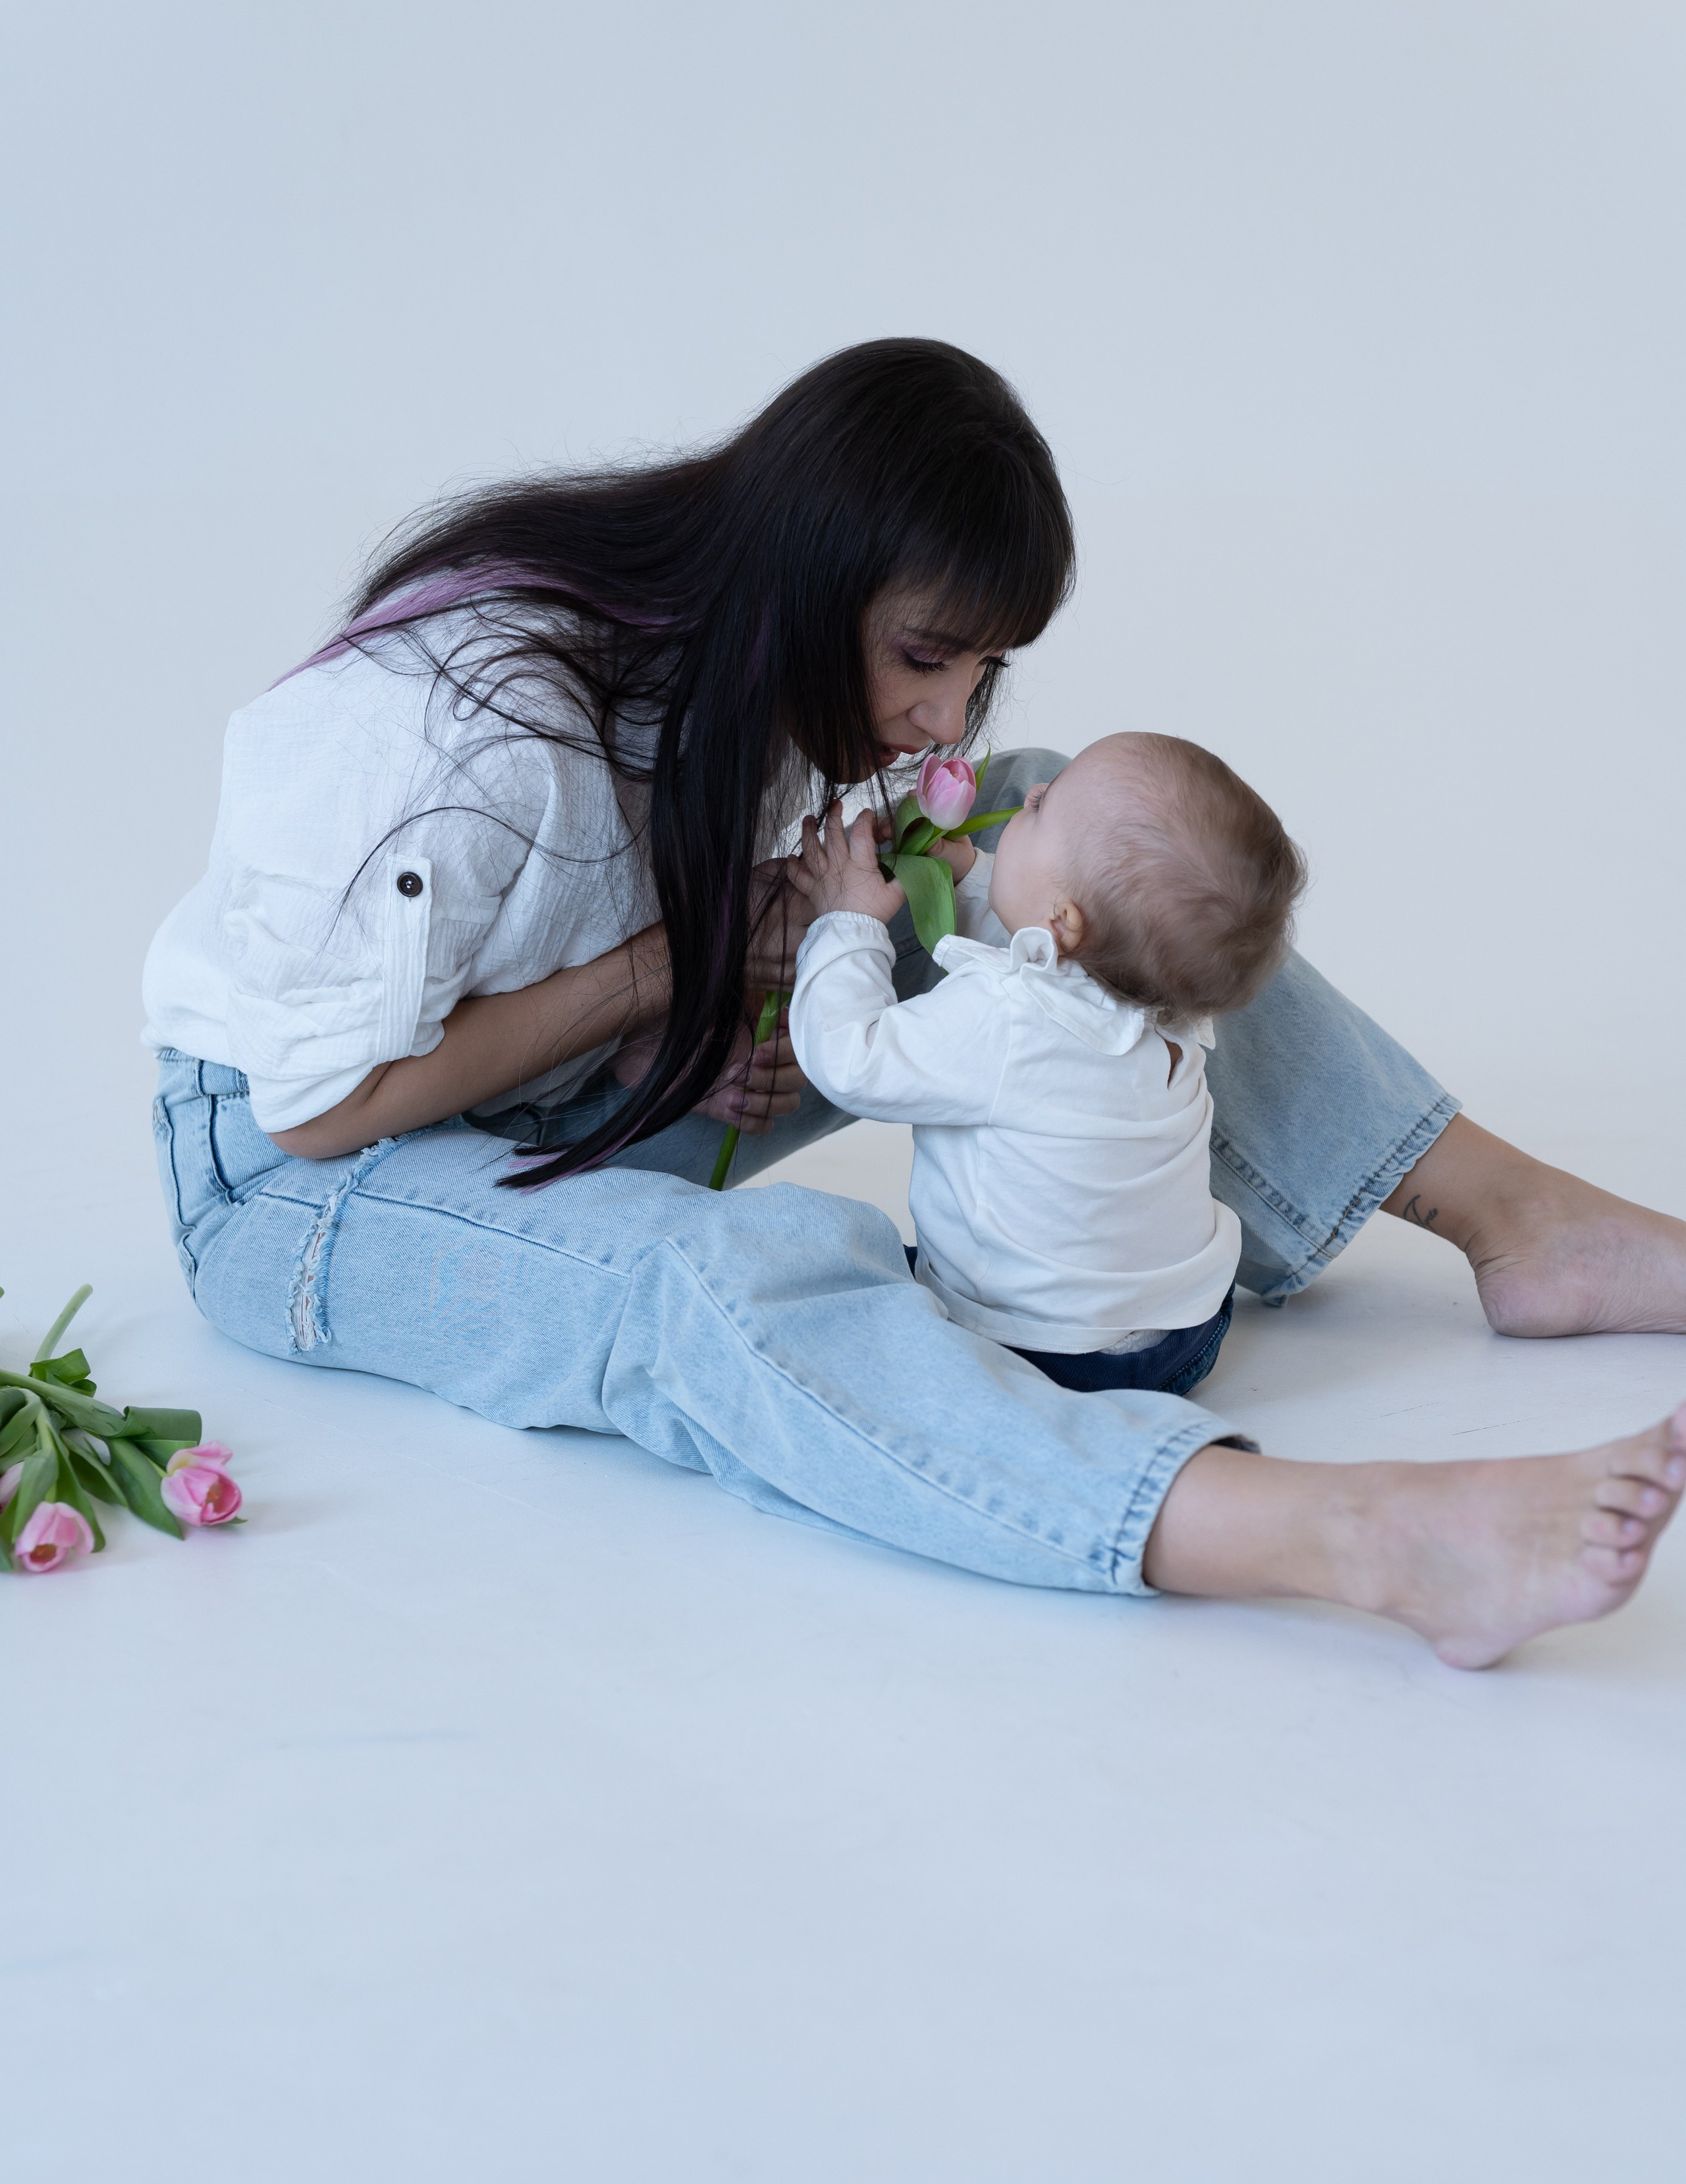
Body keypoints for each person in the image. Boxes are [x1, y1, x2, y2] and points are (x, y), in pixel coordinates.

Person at [142, 338, 1686, 1671]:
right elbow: (314, 1104)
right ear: (805, 578)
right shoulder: (449, 720)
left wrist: (710, 1033)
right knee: (704, 1272)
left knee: (1060, 827)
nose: (942, 713)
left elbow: (752, 919)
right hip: (307, 1178)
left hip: (573, 1083)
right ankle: (1334, 1529)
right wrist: (679, 976)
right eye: (923, 657)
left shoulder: (743, 665)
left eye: (978, 664)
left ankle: (1515, 1217)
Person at [785, 732, 1304, 1397]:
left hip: (1045, 1352)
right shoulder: (1165, 1008)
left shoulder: (1004, 1017)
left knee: (843, 1270)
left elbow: (848, 1057)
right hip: (1186, 1331)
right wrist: (970, 869)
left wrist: (847, 921)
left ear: (1060, 916)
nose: (1030, 792)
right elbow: (1049, 959)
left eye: (1042, 808)